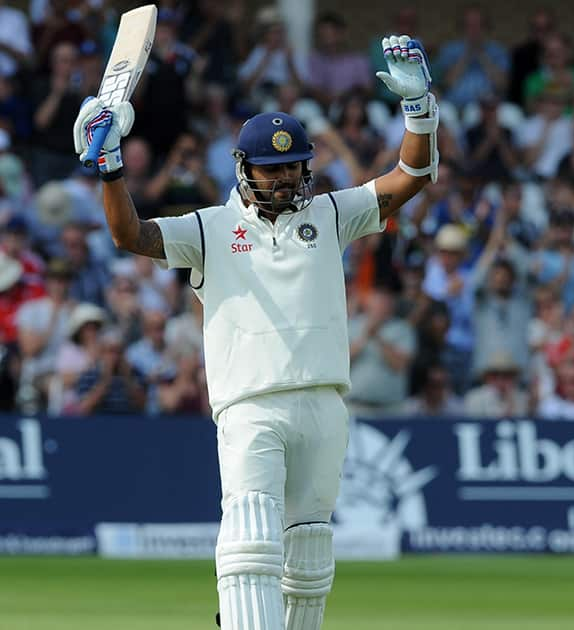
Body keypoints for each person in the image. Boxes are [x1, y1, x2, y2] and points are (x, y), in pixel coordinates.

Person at [72, 33, 438, 630]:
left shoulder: (331, 212)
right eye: (271, 170)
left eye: (293, 166)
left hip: (324, 402)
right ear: (244, 169)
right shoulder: (209, 227)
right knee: (250, 544)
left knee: (310, 555)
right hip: (249, 407)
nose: (285, 178)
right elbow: (129, 235)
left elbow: (411, 176)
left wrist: (419, 110)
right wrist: (110, 170)